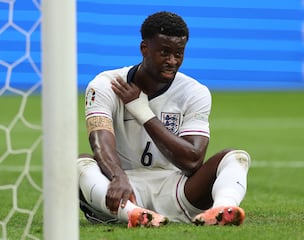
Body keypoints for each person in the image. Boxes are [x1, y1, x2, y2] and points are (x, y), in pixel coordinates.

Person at [77, 11, 251, 228]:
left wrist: (143, 112)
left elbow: (192, 161)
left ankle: (223, 210)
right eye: (164, 52)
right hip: (121, 189)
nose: (172, 61)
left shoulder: (195, 92)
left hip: (175, 189)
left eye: (179, 54)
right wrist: (117, 177)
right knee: (81, 163)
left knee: (235, 157)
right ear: (144, 49)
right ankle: (134, 214)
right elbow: (99, 142)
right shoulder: (105, 85)